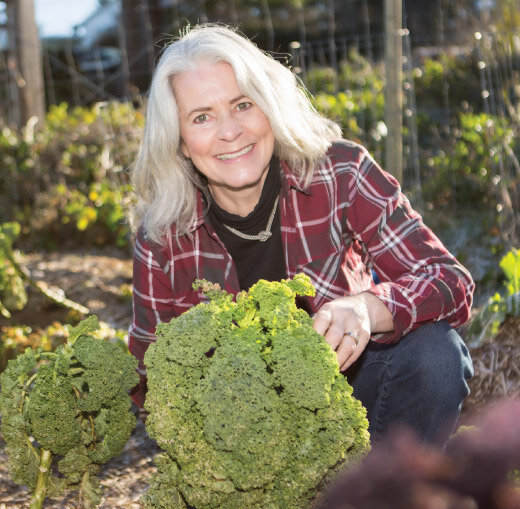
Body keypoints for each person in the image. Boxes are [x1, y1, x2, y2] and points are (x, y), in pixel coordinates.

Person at [127, 24, 474, 446]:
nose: (230, 131)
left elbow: (449, 280)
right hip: (245, 442)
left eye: (242, 104)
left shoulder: (340, 173)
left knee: (435, 355)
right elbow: (150, 381)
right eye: (201, 117)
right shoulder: (162, 239)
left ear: (269, 107)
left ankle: (385, 498)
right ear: (180, 142)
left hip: (356, 401)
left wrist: (368, 308)